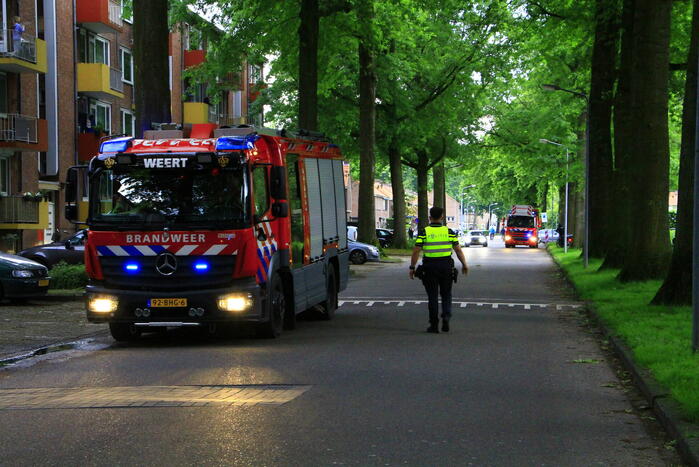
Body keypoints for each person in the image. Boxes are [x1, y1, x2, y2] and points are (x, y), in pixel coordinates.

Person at [409, 207, 469, 333]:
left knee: (432, 296)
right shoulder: (449, 232)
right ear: (442, 217)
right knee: (446, 294)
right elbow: (458, 250)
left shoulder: (424, 232)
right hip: (446, 266)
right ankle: (446, 316)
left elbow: (416, 251)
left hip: (430, 267)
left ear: (430, 217)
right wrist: (464, 264)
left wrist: (412, 267)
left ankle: (434, 325)